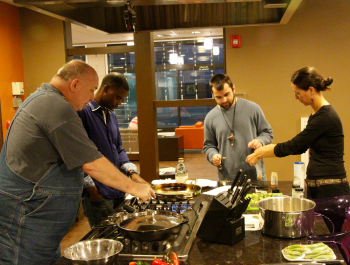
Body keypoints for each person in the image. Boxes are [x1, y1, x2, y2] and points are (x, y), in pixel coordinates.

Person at [0, 60, 155, 265]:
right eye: (91, 89)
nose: (92, 96)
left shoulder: (46, 101)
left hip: (38, 222)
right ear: (74, 85)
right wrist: (135, 188)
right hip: (26, 218)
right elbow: (90, 162)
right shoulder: (55, 106)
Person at [246, 66, 350, 199]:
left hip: (331, 190)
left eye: (298, 93)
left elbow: (294, 145)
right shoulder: (316, 114)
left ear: (311, 90)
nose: (295, 97)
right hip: (320, 187)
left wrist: (262, 152)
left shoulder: (325, 117)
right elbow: (301, 147)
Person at [78, 73, 149, 227]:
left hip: (118, 190)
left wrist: (133, 174)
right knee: (104, 238)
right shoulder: (83, 113)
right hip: (99, 193)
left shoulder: (112, 116)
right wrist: (92, 190)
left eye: (122, 99)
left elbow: (119, 150)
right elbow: (76, 154)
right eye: (117, 97)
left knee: (122, 232)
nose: (120, 103)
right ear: (106, 89)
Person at [203, 73, 273, 181]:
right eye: (219, 97)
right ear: (213, 95)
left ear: (233, 89)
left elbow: (267, 133)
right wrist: (213, 155)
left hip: (255, 175)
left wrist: (260, 141)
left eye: (227, 94)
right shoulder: (210, 117)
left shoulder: (253, 108)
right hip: (227, 178)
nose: (224, 100)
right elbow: (208, 145)